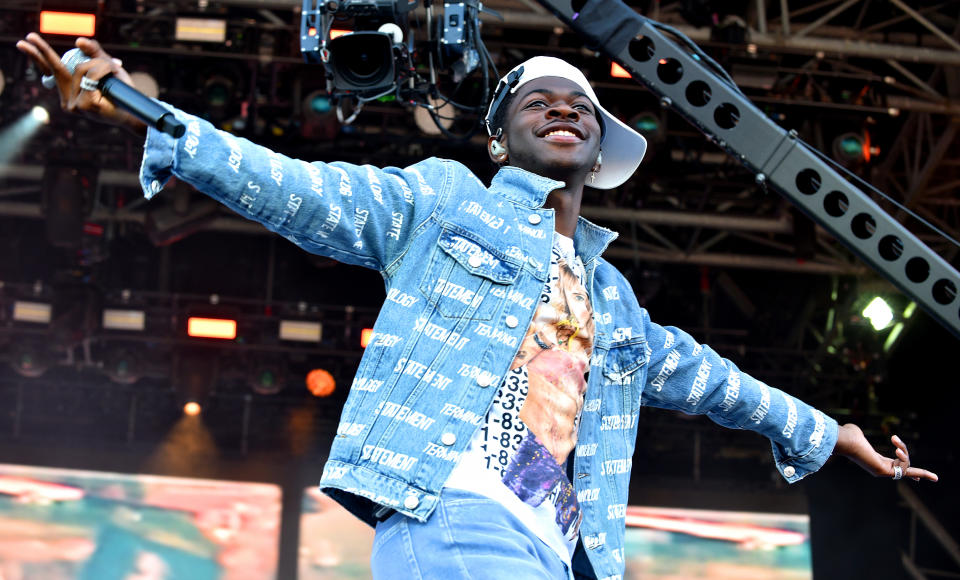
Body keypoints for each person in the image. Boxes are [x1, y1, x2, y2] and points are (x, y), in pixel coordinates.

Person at [17, 33, 938, 580]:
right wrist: (146, 110)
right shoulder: (442, 202)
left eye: (578, 104)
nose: (563, 110)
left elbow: (718, 382)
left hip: (559, 549)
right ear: (500, 136)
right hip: (450, 513)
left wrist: (830, 431)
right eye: (538, 101)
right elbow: (296, 188)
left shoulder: (612, 301)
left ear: (598, 147)